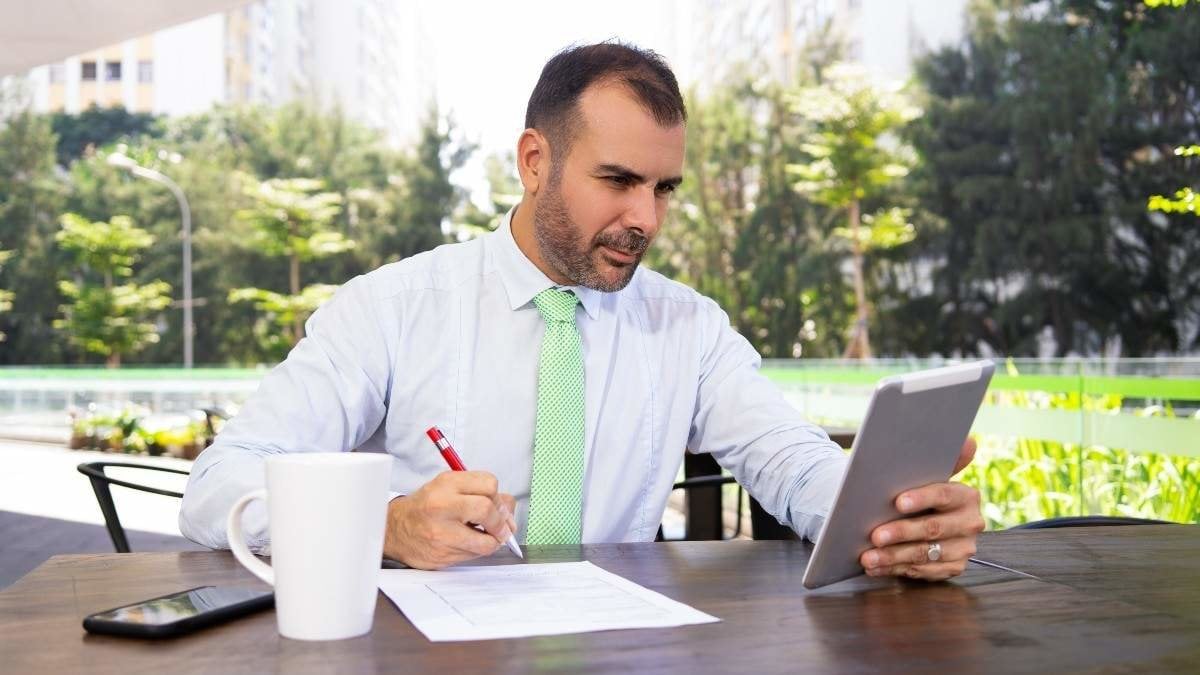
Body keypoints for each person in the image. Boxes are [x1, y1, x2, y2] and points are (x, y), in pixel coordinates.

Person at [180, 42, 984, 580]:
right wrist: (384, 526)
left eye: (664, 188)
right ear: (535, 161)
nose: (649, 218)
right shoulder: (394, 308)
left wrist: (887, 518)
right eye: (618, 180)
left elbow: (787, 457)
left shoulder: (688, 328)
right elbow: (218, 483)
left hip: (622, 647)